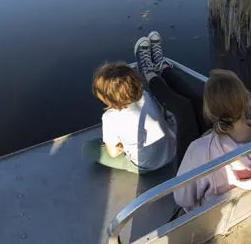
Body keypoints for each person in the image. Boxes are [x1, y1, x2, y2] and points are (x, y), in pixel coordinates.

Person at [83, 31, 201, 173]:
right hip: (171, 153)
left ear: (106, 97)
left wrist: (122, 146)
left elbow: (113, 153)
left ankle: (152, 67)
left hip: (145, 166)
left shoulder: (109, 117)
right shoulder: (146, 95)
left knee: (89, 148)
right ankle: (155, 66)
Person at [174, 69, 251, 212]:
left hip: (214, 219)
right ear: (246, 101)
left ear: (209, 112)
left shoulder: (199, 151)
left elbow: (182, 198)